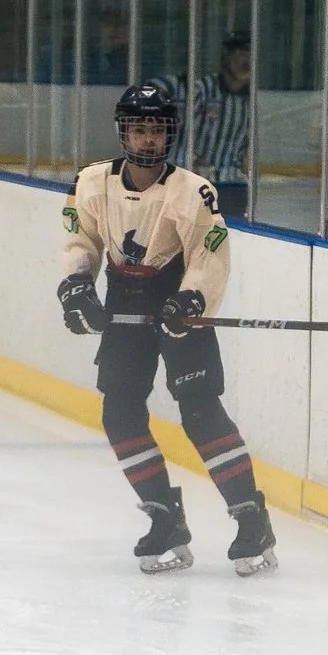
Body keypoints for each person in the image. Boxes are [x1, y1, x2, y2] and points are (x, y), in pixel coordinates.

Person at [59, 80, 275, 576]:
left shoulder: (194, 191)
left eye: (156, 129)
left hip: (177, 302)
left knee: (200, 412)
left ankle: (251, 518)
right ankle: (164, 517)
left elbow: (209, 255)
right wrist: (77, 287)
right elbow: (81, 242)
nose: (148, 140)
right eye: (139, 130)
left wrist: (192, 298)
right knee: (120, 413)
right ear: (123, 133)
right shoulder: (91, 182)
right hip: (125, 302)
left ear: (170, 132)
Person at [182, 34, 254, 220]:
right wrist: (194, 162)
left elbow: (247, 143)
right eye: (241, 53)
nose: (246, 60)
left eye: (250, 54)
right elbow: (181, 134)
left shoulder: (251, 100)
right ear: (227, 56)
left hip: (234, 186)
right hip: (197, 184)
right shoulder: (202, 90)